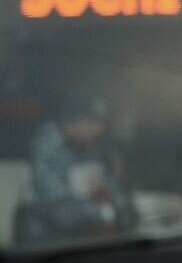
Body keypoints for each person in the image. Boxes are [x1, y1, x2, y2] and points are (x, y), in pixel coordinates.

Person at [19, 101, 137, 242]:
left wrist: (123, 207)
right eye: (93, 122)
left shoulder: (91, 146)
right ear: (72, 121)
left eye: (102, 123)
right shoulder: (45, 148)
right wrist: (106, 213)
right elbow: (57, 204)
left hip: (83, 235)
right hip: (46, 238)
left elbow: (107, 183)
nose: (99, 129)